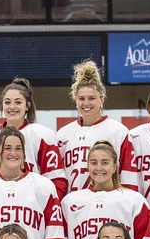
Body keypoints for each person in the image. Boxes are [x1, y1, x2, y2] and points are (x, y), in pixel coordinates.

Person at [61, 141, 150, 239]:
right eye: (94, 163)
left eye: (105, 162)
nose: (99, 168)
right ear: (87, 166)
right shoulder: (70, 202)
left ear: (115, 167)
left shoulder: (134, 200)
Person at [0, 77, 67, 198]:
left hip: (30, 210)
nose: (12, 107)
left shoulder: (42, 135)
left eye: (18, 102)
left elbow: (57, 181)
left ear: (27, 105)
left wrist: (43, 208)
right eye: (7, 102)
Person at [56, 60, 136, 193]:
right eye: (81, 99)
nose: (86, 103)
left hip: (107, 204)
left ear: (102, 100)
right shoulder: (63, 134)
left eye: (91, 98)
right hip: (72, 206)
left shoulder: (118, 131)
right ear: (75, 101)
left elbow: (129, 176)